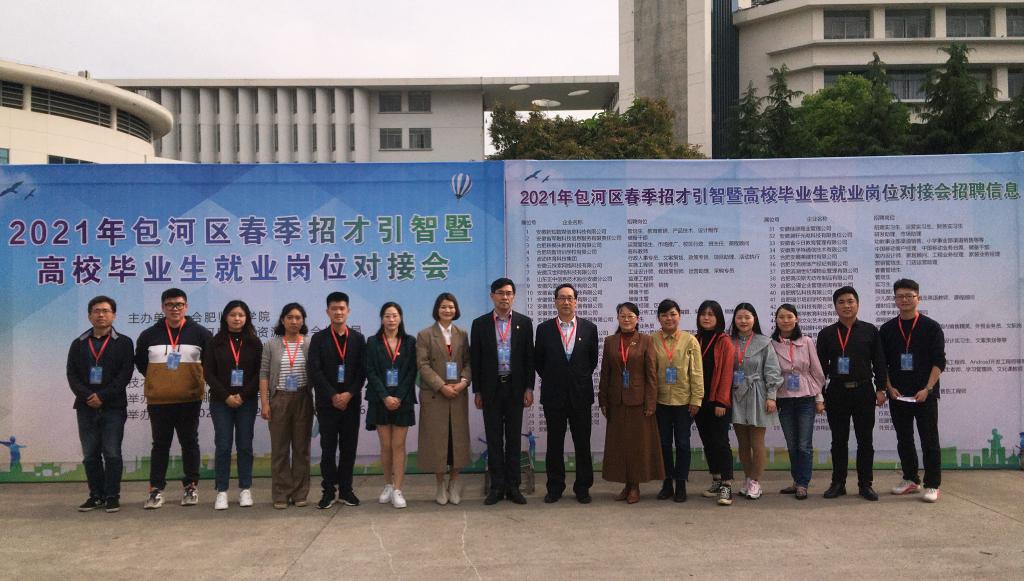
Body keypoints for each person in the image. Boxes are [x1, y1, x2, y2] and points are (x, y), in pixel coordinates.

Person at [135, 288, 211, 510]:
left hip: (189, 399)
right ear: (162, 307)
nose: (174, 308)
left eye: (179, 304)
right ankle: (156, 489)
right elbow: (142, 364)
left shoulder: (201, 333)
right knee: (160, 445)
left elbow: (210, 364)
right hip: (159, 401)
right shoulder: (149, 335)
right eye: (170, 304)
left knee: (190, 442)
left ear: (186, 307)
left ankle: (191, 486)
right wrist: (161, 381)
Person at [817, 286, 888, 501]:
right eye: (841, 302)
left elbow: (879, 361)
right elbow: (820, 368)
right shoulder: (826, 333)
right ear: (835, 306)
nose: (846, 306)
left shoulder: (870, 331)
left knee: (865, 440)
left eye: (850, 301)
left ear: (857, 304)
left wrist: (881, 388)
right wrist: (820, 395)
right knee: (838, 441)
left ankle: (865, 484)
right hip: (837, 392)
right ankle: (838, 483)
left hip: (864, 391)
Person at [66, 295, 134, 513]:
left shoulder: (124, 343)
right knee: (90, 455)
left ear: (114, 315)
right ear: (89, 316)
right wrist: (88, 396)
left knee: (112, 453)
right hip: (85, 407)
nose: (101, 315)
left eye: (106, 311)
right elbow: (72, 375)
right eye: (96, 311)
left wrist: (103, 396)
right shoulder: (78, 343)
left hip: (113, 407)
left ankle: (112, 496)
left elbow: (125, 374)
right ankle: (96, 495)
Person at [880, 279, 946, 503]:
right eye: (900, 296)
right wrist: (889, 388)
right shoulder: (887, 329)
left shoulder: (931, 327)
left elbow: (939, 362)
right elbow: (882, 364)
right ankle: (910, 479)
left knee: (929, 440)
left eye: (909, 295)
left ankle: (932, 484)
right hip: (898, 394)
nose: (905, 300)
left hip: (924, 394)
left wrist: (928, 388)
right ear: (895, 300)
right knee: (904, 439)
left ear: (918, 298)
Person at [470, 277, 535, 505]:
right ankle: (497, 487)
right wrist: (477, 391)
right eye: (500, 293)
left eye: (508, 293)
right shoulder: (480, 324)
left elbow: (529, 359)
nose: (504, 297)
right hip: (491, 389)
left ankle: (513, 487)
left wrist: (529, 388)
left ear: (513, 296)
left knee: (514, 439)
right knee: (494, 438)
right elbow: (475, 360)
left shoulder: (524, 323)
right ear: (492, 296)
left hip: (516, 389)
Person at [535, 283, 599, 504]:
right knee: (554, 444)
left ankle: (583, 488)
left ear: (576, 302)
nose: (566, 302)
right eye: (561, 298)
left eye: (570, 298)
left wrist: (575, 378)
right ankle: (555, 487)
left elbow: (591, 361)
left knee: (583, 444)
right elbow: (539, 362)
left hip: (580, 395)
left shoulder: (589, 328)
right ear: (555, 301)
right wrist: (557, 378)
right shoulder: (543, 329)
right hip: (554, 395)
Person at [598, 302, 663, 503]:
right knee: (620, 445)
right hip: (616, 401)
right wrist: (603, 399)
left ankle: (635, 485)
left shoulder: (646, 340)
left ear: (637, 319)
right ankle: (626, 484)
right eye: (622, 316)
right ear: (618, 318)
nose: (626, 319)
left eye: (630, 316)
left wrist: (651, 402)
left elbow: (651, 373)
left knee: (637, 445)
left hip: (639, 401)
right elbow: (605, 372)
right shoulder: (610, 341)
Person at [307, 292, 366, 510]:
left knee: (349, 448)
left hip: (351, 403)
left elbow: (362, 371)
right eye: (334, 308)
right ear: (327, 311)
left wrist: (348, 394)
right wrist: (333, 395)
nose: (338, 312)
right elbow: (315, 371)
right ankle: (329, 491)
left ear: (348, 311)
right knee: (328, 449)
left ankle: (346, 490)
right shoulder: (319, 339)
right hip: (327, 404)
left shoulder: (358, 339)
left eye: (342, 308)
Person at [202, 300, 263, 510]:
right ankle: (222, 491)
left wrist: (243, 396)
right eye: (233, 314)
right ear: (225, 317)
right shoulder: (215, 342)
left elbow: (259, 374)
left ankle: (245, 488)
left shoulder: (254, 342)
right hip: (221, 401)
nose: (237, 318)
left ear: (247, 318)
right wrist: (227, 396)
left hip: (247, 401)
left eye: (241, 315)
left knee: (245, 445)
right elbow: (208, 373)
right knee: (223, 445)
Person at [416, 292, 473, 506]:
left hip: (457, 394)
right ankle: (440, 484)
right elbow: (422, 365)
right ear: (437, 310)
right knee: (437, 441)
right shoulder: (425, 335)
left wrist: (463, 382)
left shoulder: (462, 334)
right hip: (435, 395)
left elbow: (469, 362)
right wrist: (441, 386)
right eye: (443, 307)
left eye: (451, 307)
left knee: (456, 440)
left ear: (456, 310)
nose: (447, 310)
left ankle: (454, 483)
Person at [259, 303, 313, 509]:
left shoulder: (309, 343)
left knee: (301, 449)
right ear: (282, 320)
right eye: (290, 317)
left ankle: (300, 493)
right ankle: (281, 493)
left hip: (303, 398)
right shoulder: (271, 344)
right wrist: (265, 403)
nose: (294, 321)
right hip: (279, 398)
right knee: (280, 449)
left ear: (303, 321)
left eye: (298, 318)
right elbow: (264, 374)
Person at [650, 298, 704, 502]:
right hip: (660, 401)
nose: (669, 318)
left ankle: (681, 483)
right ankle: (667, 483)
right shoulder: (652, 340)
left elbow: (696, 372)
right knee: (663, 444)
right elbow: (649, 372)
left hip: (684, 401)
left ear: (679, 316)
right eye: (664, 315)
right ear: (659, 318)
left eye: (672, 314)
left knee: (682, 443)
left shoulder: (690, 340)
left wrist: (696, 399)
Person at [770, 304, 826, 500]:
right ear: (776, 320)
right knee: (792, 444)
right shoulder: (771, 344)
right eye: (781, 317)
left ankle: (803, 483)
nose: (785, 320)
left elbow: (817, 372)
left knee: (804, 445)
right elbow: (771, 372)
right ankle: (796, 481)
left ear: (797, 319)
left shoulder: (807, 341)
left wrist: (819, 398)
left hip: (805, 398)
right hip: (783, 398)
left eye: (789, 316)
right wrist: (771, 397)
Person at [366, 302, 418, 509]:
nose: (391, 319)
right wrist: (385, 396)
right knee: (386, 446)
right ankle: (387, 484)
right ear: (382, 319)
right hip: (380, 400)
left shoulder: (410, 342)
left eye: (395, 315)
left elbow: (412, 371)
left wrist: (399, 396)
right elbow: (370, 371)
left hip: (403, 400)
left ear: (400, 318)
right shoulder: (373, 342)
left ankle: (398, 489)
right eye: (387, 316)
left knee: (398, 445)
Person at [729, 303, 782, 500]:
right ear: (734, 319)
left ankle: (755, 481)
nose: (743, 321)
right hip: (736, 394)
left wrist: (771, 396)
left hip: (758, 394)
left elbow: (772, 370)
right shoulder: (728, 341)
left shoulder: (764, 342)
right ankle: (747, 478)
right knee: (742, 443)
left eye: (747, 317)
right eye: (739, 317)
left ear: (754, 319)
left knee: (757, 441)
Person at [693, 300, 738, 506]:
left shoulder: (724, 341)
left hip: (718, 401)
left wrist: (722, 401)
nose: (706, 317)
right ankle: (717, 479)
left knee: (720, 442)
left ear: (718, 318)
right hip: (699, 400)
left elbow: (727, 373)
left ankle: (727, 484)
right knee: (707, 441)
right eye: (703, 314)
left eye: (711, 314)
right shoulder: (696, 339)